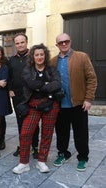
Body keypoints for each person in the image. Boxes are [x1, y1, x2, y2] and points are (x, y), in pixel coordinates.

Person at [50, 33, 97, 172]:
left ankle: (83, 158)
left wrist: (88, 99)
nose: (64, 44)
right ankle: (63, 153)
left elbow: (92, 79)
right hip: (60, 105)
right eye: (61, 42)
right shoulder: (53, 61)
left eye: (66, 41)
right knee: (61, 132)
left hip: (78, 104)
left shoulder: (82, 57)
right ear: (57, 45)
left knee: (81, 133)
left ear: (70, 41)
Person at [12, 44, 61, 174]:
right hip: (33, 104)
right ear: (33, 57)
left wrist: (41, 86)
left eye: (41, 54)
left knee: (47, 133)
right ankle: (24, 163)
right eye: (37, 55)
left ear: (45, 56)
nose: (39, 57)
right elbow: (31, 84)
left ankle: (42, 161)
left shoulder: (52, 69)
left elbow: (57, 84)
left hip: (51, 104)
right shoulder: (28, 70)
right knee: (25, 133)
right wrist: (46, 84)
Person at [8, 33, 39, 158]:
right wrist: (9, 89)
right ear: (15, 45)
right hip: (17, 95)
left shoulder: (33, 57)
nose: (20, 45)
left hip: (32, 95)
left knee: (34, 122)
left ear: (26, 42)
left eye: (22, 42)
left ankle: (35, 147)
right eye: (17, 43)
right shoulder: (12, 59)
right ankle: (22, 145)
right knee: (20, 122)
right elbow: (9, 76)